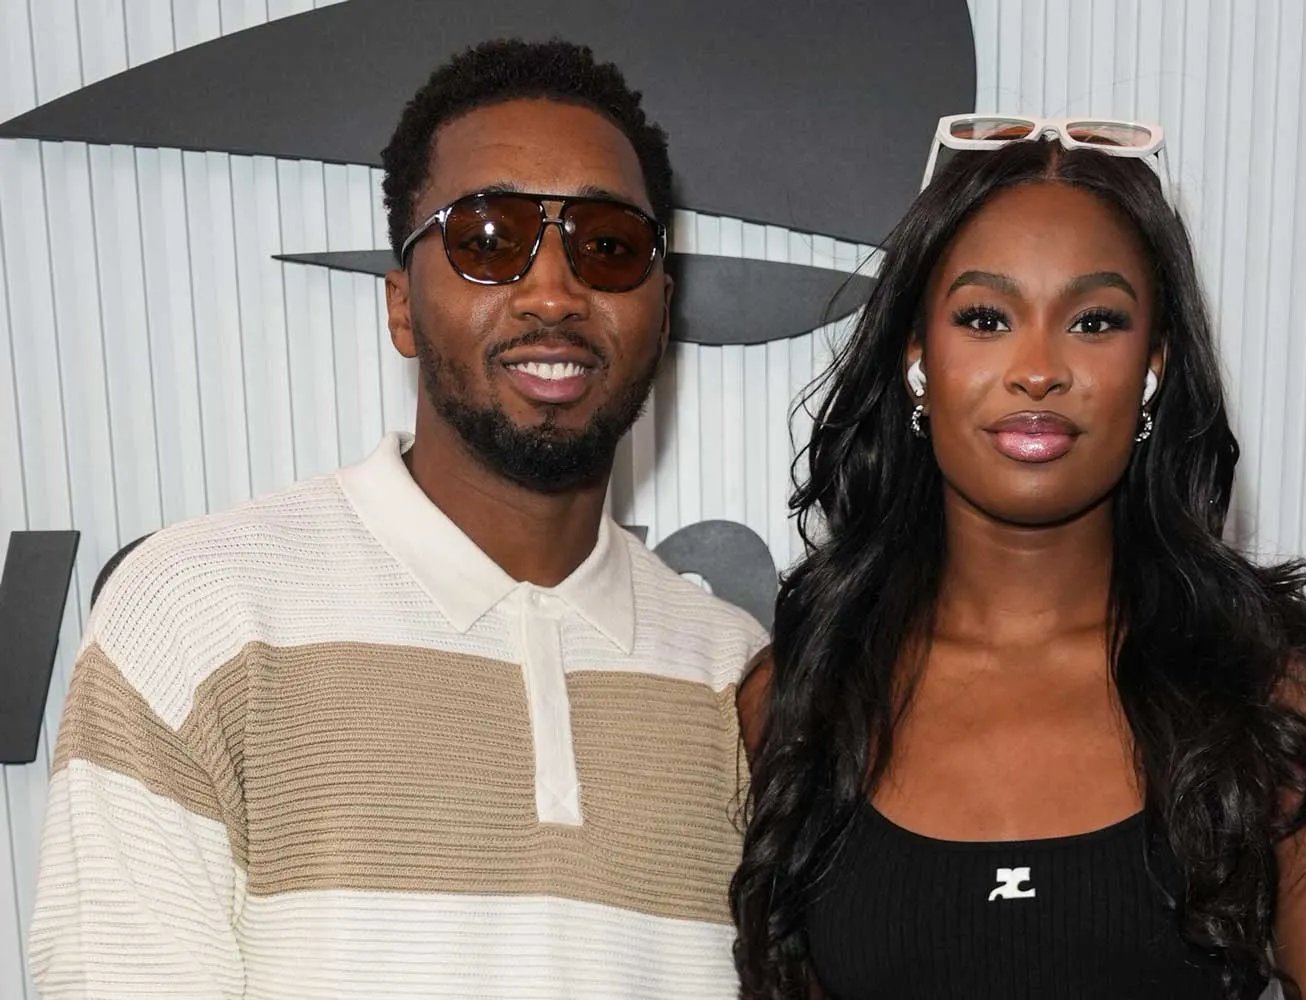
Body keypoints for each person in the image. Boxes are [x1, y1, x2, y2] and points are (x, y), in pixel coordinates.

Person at [28, 38, 764, 998]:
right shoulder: (193, 619)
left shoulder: (734, 677)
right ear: (402, 308)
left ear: (662, 311)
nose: (553, 291)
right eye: (488, 239)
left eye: (608, 246)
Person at [732, 123, 1306, 1000]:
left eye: (1095, 321)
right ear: (917, 363)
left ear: (1153, 369)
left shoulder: (1286, 685)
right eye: (985, 318)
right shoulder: (801, 694)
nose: (1039, 368)